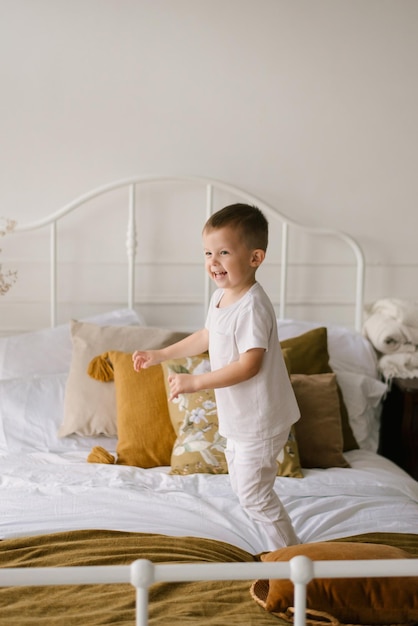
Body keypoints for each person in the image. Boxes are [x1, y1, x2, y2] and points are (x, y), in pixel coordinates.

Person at [132, 203, 300, 548]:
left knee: (254, 494)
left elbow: (249, 365)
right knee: (244, 487)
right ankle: (282, 550)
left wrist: (196, 382)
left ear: (255, 258)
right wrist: (160, 354)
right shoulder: (222, 297)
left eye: (224, 252)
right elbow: (207, 336)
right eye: (208, 252)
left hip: (261, 418)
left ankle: (293, 559)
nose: (213, 261)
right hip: (240, 418)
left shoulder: (253, 306)